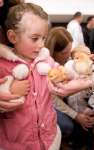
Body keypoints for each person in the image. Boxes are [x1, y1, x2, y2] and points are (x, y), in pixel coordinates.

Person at [0, 3, 61, 150]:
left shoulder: (46, 59)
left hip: (49, 138)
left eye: (44, 38)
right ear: (13, 37)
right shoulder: (2, 66)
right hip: (15, 145)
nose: (41, 45)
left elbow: (63, 72)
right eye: (35, 38)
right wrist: (7, 88)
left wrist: (76, 67)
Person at [45, 26, 94, 149]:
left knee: (87, 117)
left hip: (69, 100)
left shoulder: (68, 61)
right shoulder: (48, 68)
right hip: (53, 104)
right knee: (67, 125)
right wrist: (76, 116)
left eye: (70, 52)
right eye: (64, 53)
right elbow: (54, 100)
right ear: (53, 52)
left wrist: (87, 65)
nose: (68, 56)